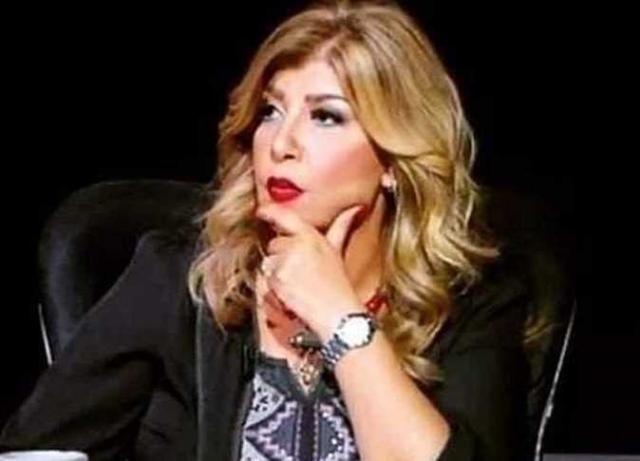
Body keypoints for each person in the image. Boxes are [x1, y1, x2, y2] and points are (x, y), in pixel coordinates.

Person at [0, 0, 531, 460]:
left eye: (326, 117)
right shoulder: (181, 279)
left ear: (393, 159)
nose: (281, 143)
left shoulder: (471, 304)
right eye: (271, 112)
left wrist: (339, 318)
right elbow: (36, 448)